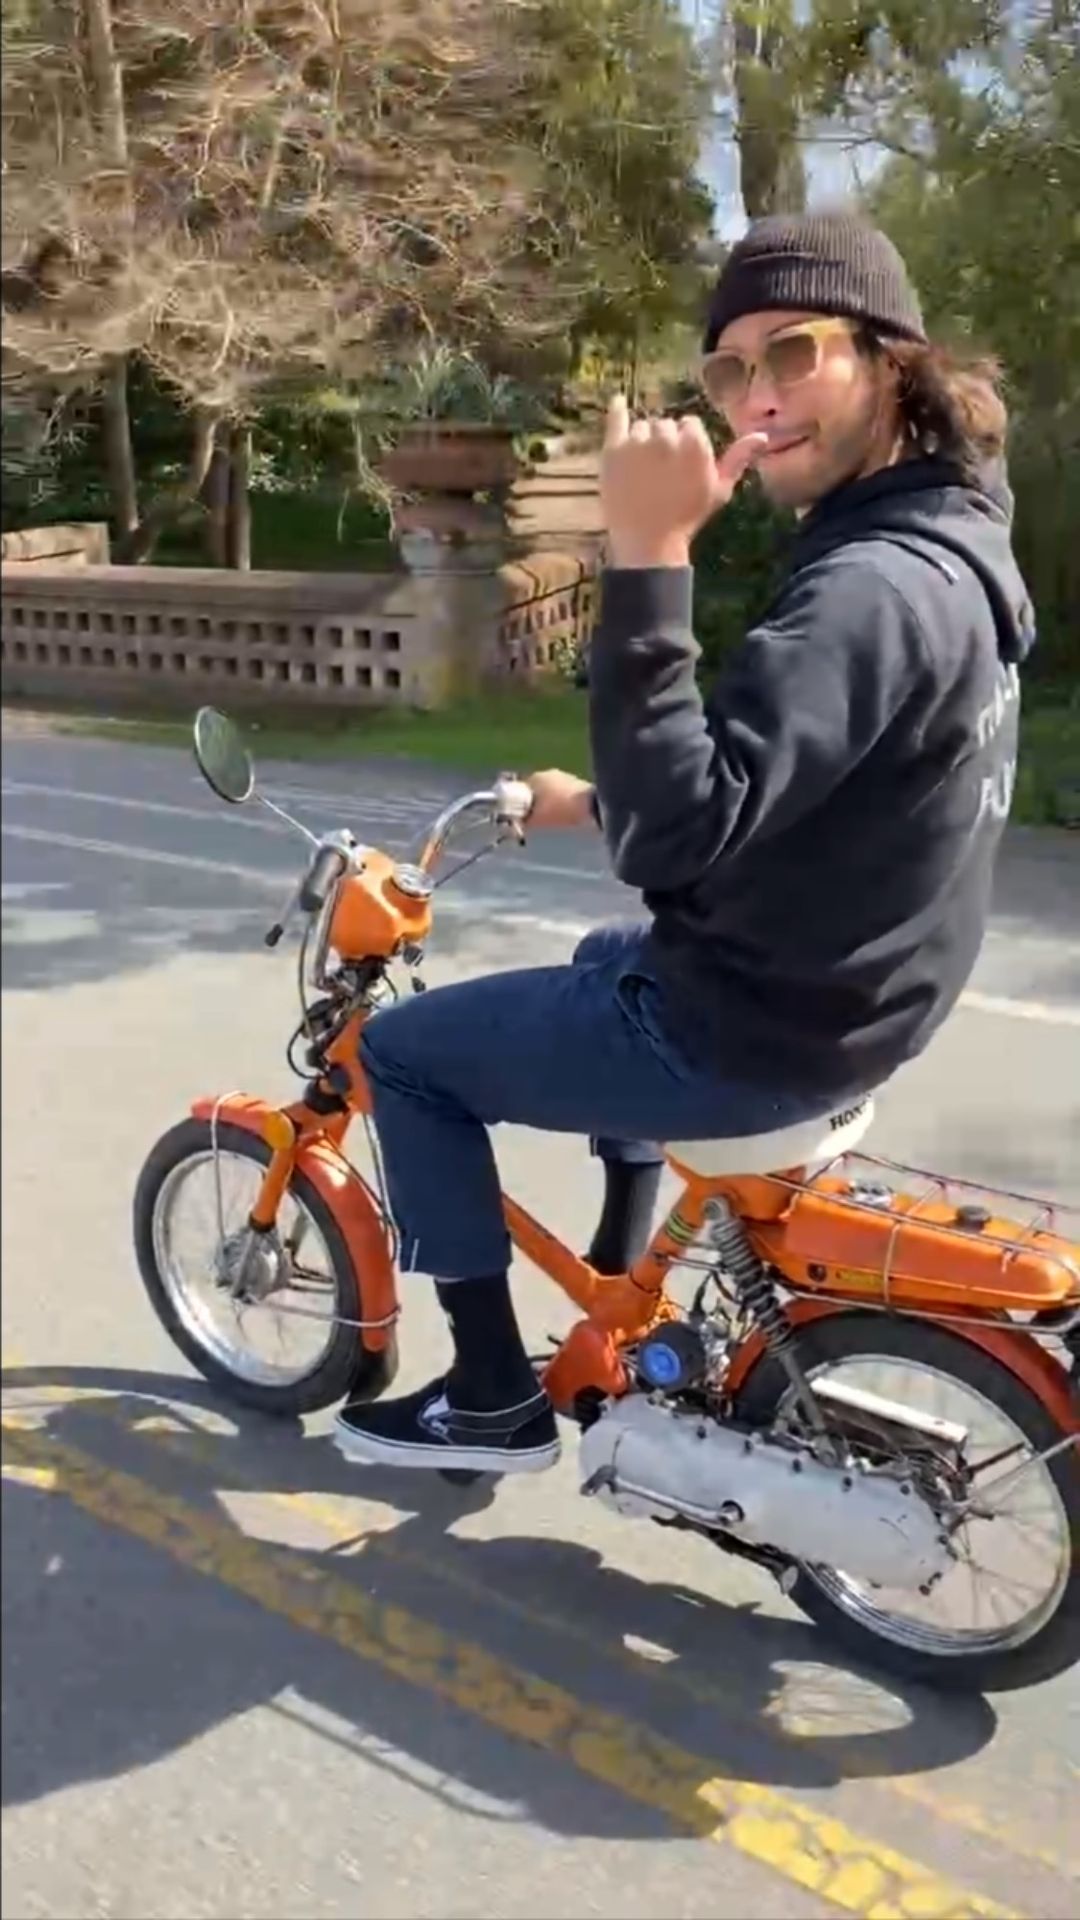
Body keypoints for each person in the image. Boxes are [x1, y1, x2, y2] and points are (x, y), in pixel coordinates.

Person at [334, 211, 1034, 1475]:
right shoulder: (952, 549)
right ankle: (623, 1268)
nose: (756, 397)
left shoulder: (865, 591)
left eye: (794, 353)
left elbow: (677, 840)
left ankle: (489, 1398)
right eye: (730, 369)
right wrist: (591, 801)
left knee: (404, 1055)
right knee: (606, 952)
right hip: (853, 996)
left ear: (891, 362)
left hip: (751, 1033)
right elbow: (799, 788)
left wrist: (647, 555)